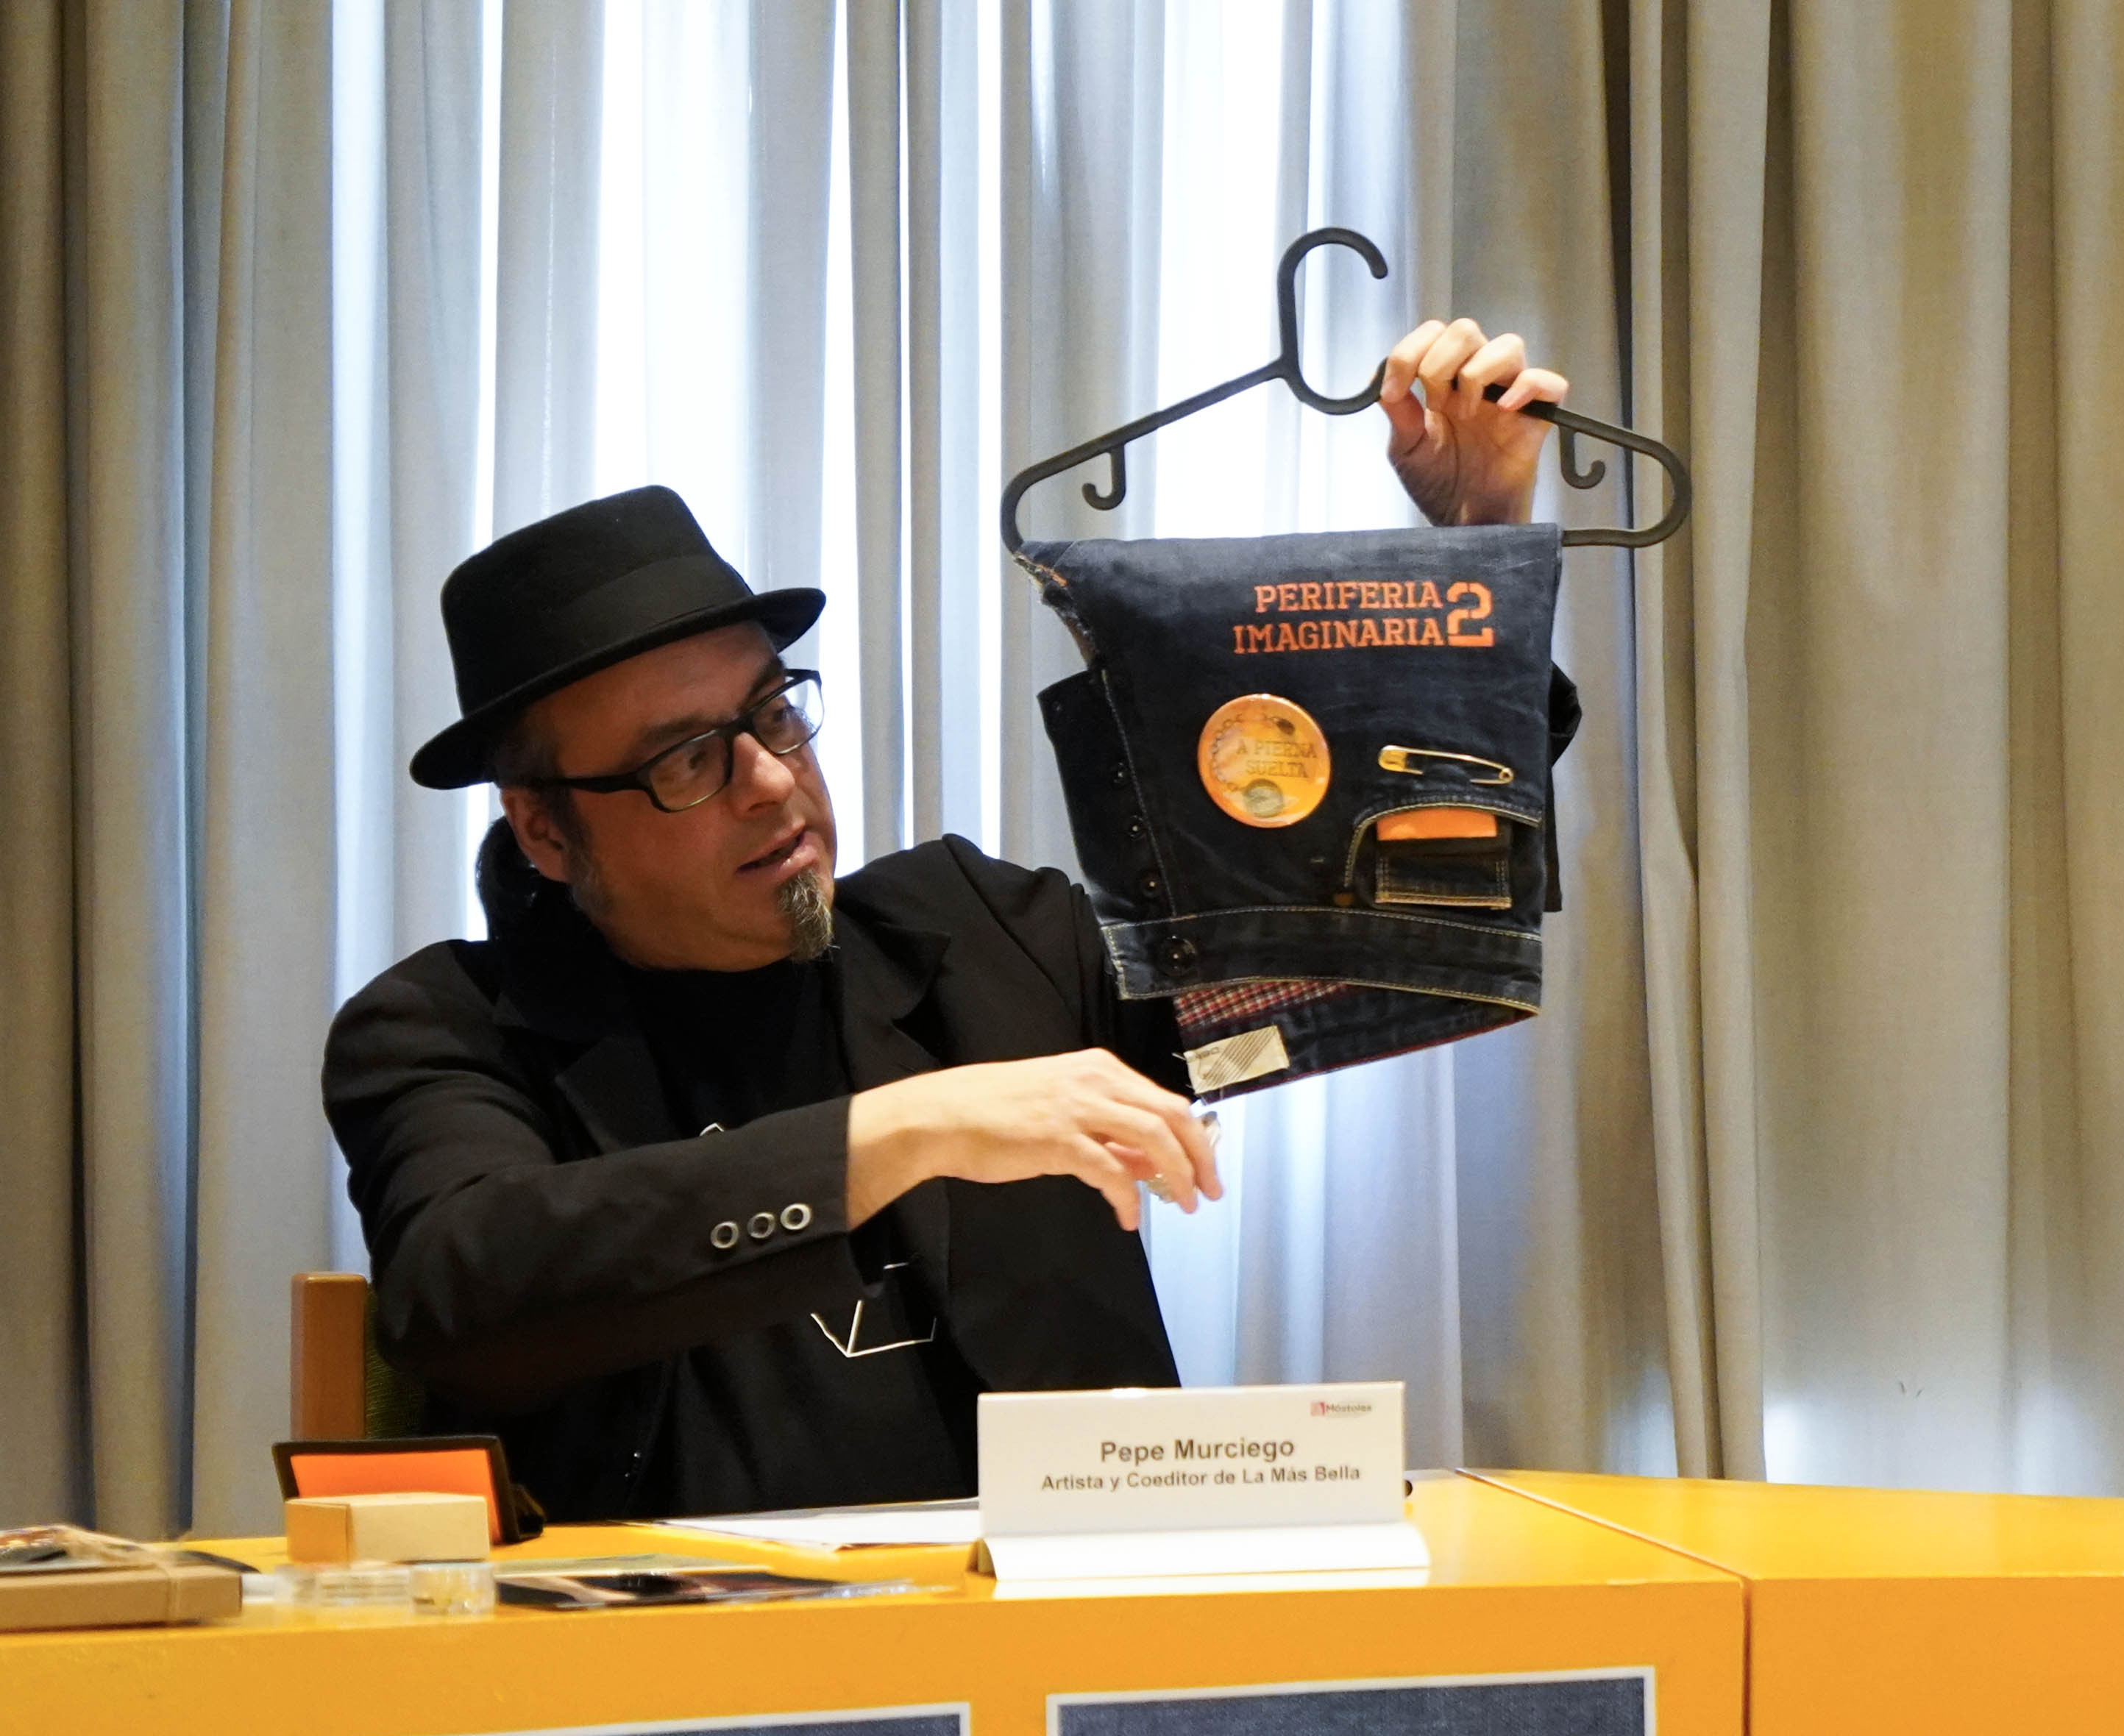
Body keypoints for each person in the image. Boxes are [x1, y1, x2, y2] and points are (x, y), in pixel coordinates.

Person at [323, 315, 1571, 1519]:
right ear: (545, 829)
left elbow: (1351, 952)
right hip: (691, 1652)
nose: (771, 781)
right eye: (688, 759)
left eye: (772, 714)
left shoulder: (981, 937)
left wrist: (1468, 573)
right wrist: (910, 1128)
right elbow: (461, 1299)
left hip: (1069, 1628)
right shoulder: (449, 1029)